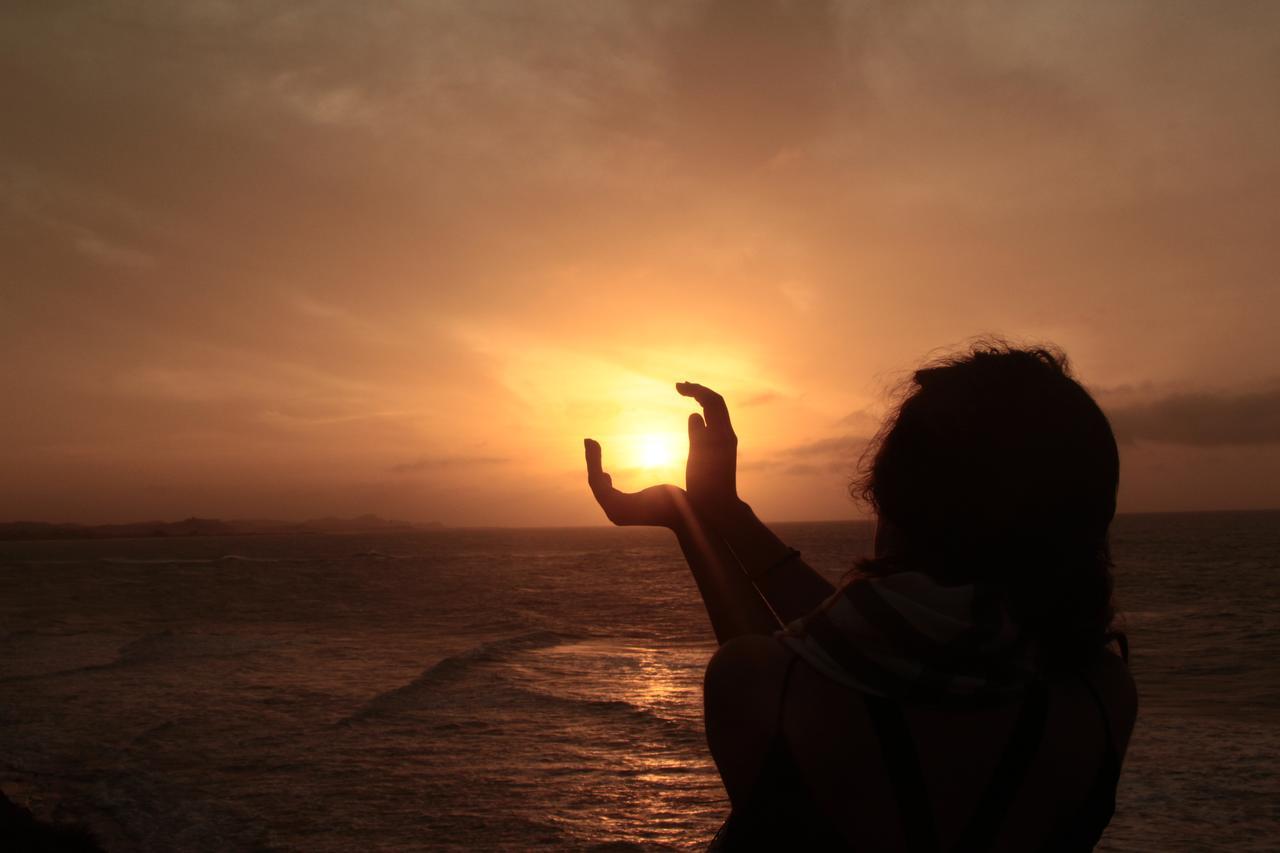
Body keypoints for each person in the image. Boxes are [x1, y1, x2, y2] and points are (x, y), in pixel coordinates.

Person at [584, 342, 1137, 851]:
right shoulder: (1100, 697)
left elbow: (806, 663)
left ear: (891, 501)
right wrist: (721, 511)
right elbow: (879, 647)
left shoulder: (761, 685)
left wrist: (697, 526)